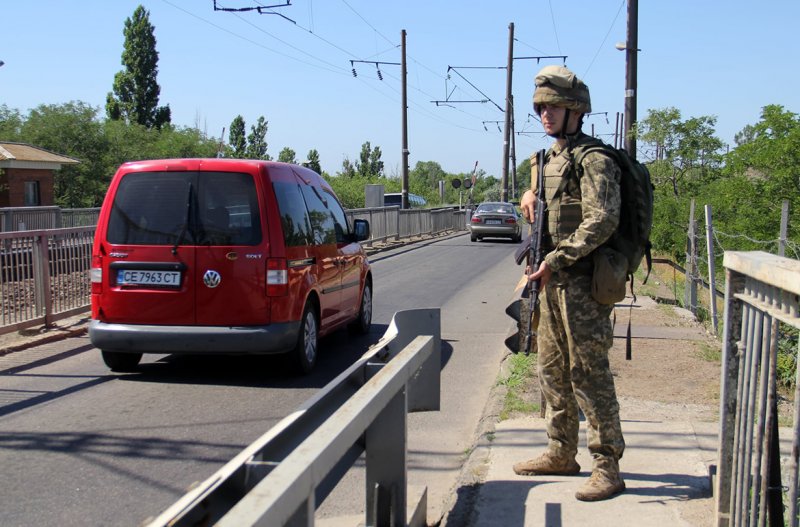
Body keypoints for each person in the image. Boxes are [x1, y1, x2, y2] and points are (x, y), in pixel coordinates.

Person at [513, 65, 625, 502]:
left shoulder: (594, 159)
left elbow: (604, 219)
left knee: (589, 373)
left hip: (582, 283)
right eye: (541, 106)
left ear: (575, 109)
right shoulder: (548, 160)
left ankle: (607, 466)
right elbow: (547, 203)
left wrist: (557, 258)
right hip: (552, 282)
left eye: (553, 106)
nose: (545, 114)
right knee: (551, 369)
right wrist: (528, 193)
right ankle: (561, 450)